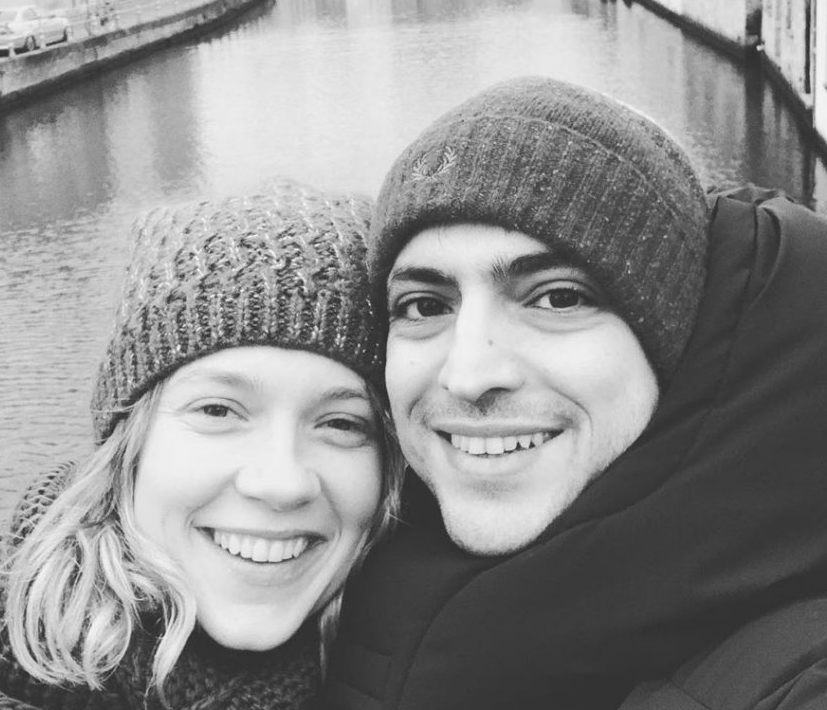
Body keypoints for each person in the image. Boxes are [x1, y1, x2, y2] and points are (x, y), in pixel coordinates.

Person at [323, 76, 827, 710]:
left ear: (676, 343)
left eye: (558, 298)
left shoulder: (793, 673)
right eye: (424, 305)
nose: (468, 375)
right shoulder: (332, 596)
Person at [0, 184, 403, 709]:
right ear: (127, 450)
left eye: (341, 423)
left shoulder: (419, 658)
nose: (282, 482)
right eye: (218, 411)